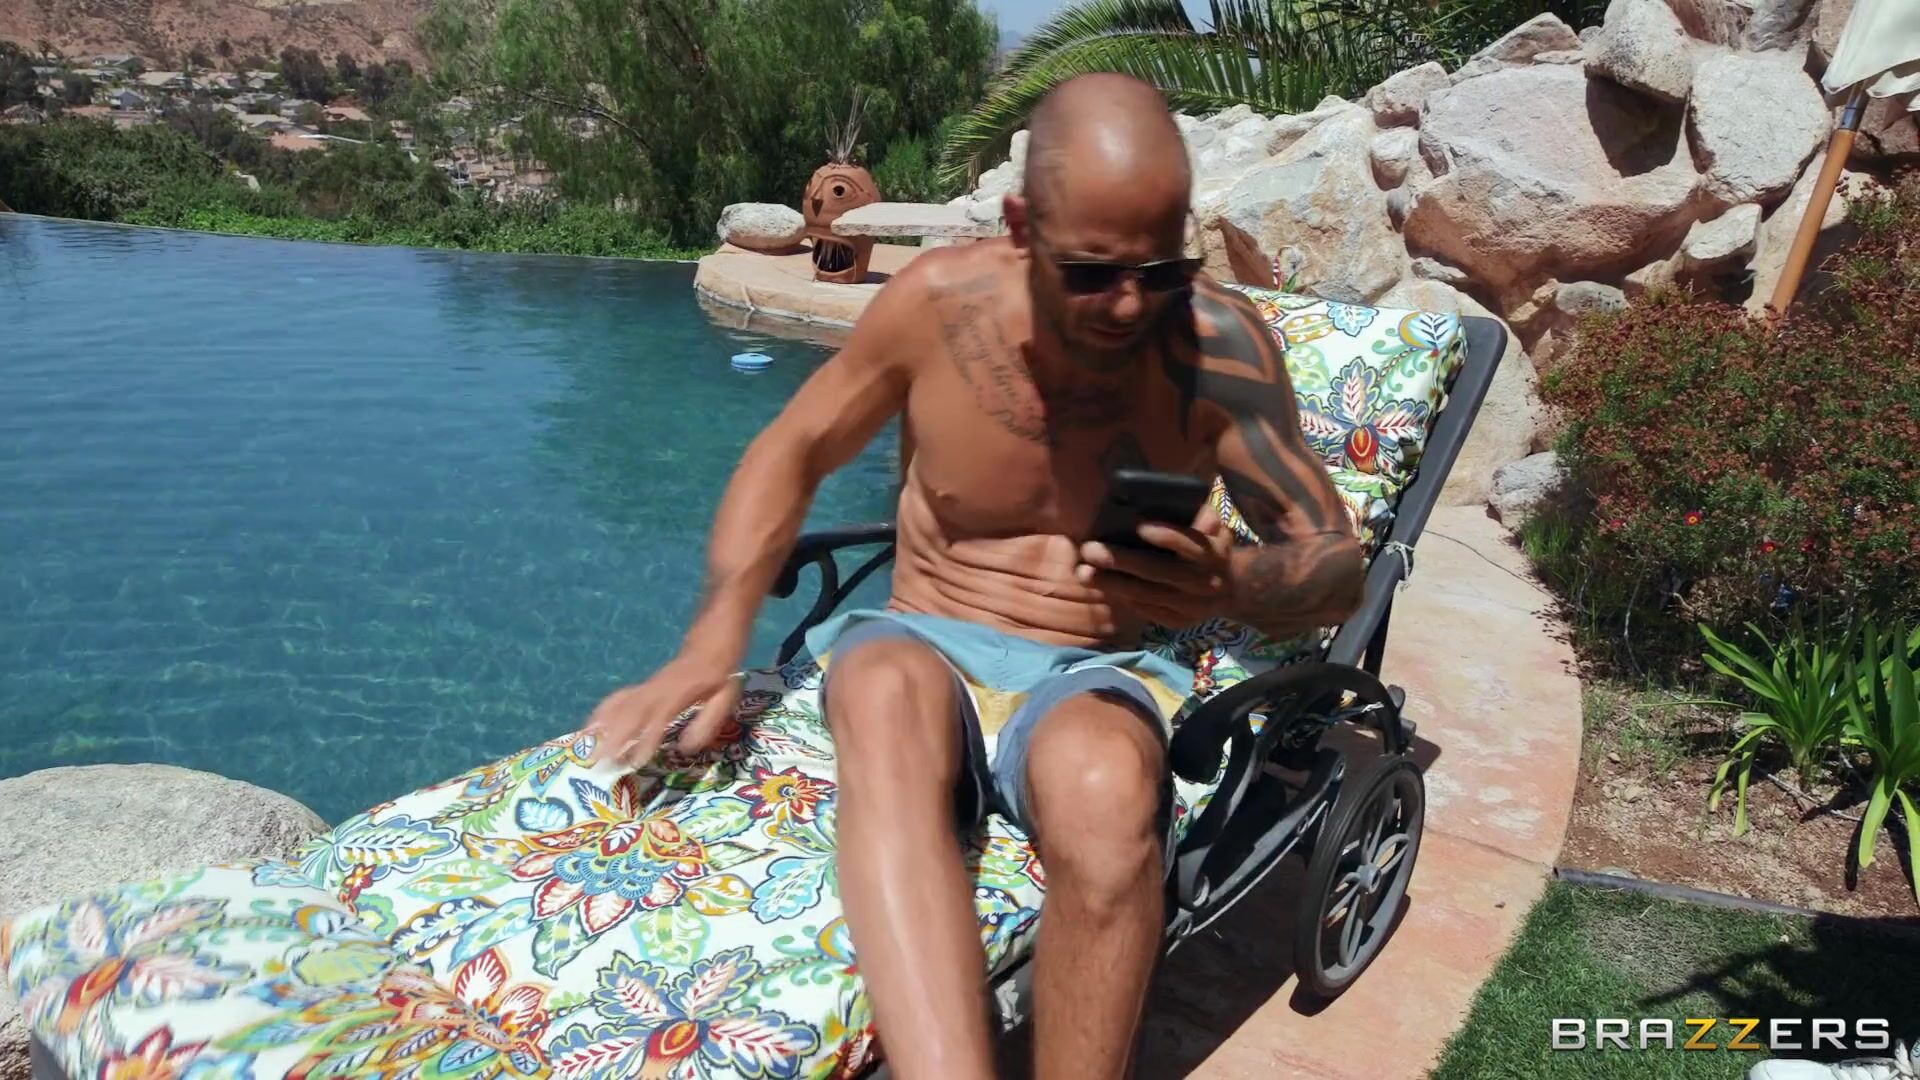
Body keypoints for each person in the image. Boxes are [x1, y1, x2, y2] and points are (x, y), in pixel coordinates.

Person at [583, 73, 1364, 1080]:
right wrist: (713, 636)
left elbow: (1335, 564)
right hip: (925, 636)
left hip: (1094, 664)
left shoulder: (1219, 349)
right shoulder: (938, 307)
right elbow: (794, 449)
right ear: (1022, 228)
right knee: (880, 690)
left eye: (1161, 270)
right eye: (1090, 272)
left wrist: (1234, 587)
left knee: (1107, 788)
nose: (1131, 304)